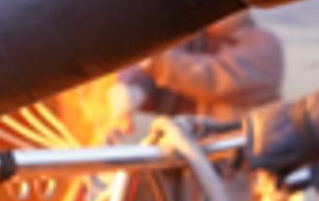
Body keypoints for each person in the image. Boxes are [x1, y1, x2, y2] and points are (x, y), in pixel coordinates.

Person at [118, 8, 284, 124]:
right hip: (189, 160)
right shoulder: (190, 41)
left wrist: (153, 61)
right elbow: (157, 83)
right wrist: (133, 90)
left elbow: (216, 78)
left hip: (240, 161)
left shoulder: (265, 44)